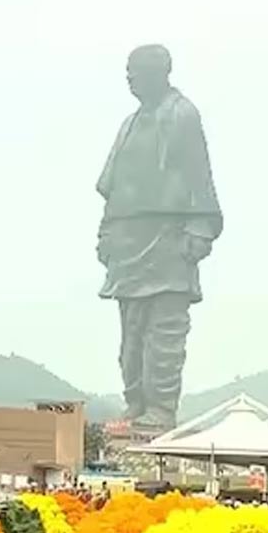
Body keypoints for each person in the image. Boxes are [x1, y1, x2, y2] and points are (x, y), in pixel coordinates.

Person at [96, 44, 223, 428]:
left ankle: (161, 409)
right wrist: (106, 233)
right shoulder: (130, 123)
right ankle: (135, 403)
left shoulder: (182, 114)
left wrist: (199, 229)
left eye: (135, 71)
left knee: (164, 334)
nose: (129, 79)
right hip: (128, 240)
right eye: (127, 72)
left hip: (168, 238)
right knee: (131, 337)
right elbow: (114, 187)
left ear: (159, 73)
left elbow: (199, 174)